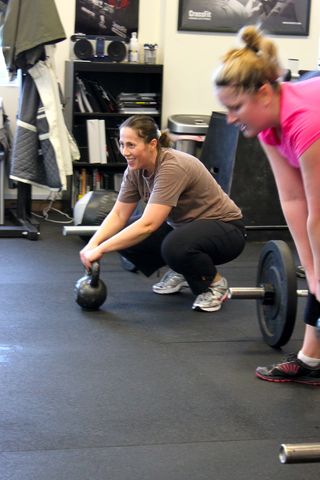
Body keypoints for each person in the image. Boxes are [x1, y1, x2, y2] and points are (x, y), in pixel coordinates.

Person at [213, 25, 320, 385]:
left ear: (262, 93)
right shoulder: (269, 126)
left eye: (235, 107)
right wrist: (312, 270)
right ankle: (312, 359)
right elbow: (293, 199)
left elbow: (318, 217)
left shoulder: (305, 123)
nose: (230, 118)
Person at [80, 115, 246, 312]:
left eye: (131, 145)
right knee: (124, 233)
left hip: (227, 230)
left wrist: (101, 250)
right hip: (186, 228)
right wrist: (93, 244)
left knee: (174, 246)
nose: (125, 152)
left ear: (152, 144)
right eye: (122, 144)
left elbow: (149, 224)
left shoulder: (172, 167)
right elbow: (118, 214)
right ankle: (184, 270)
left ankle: (215, 284)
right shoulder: (135, 170)